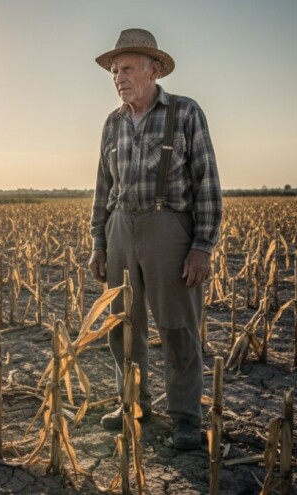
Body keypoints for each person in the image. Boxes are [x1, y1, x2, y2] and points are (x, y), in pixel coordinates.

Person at [88, 28, 221, 450]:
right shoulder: (113, 123)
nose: (119, 77)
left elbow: (207, 182)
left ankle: (185, 417)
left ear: (155, 69)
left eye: (127, 68)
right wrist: (99, 242)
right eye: (114, 71)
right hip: (121, 228)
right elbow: (102, 188)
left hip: (169, 229)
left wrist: (202, 246)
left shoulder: (184, 113)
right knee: (122, 326)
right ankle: (133, 405)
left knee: (178, 327)